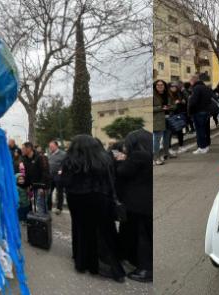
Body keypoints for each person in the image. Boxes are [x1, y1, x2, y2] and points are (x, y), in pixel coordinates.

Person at [60, 135, 125, 282]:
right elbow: (111, 180)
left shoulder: (70, 161)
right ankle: (109, 263)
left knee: (81, 229)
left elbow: (65, 182)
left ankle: (82, 261)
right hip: (101, 198)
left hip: (77, 199)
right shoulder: (104, 160)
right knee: (104, 231)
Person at [114, 129, 153, 283]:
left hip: (139, 204)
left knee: (143, 236)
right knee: (144, 234)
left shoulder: (138, 156)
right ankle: (139, 262)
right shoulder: (150, 154)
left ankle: (146, 269)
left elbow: (123, 171)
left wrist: (121, 160)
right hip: (147, 202)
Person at [21, 142, 51, 214]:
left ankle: (42, 222)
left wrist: (42, 187)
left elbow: (45, 172)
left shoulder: (40, 157)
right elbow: (28, 174)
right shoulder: (25, 159)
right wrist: (27, 185)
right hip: (34, 185)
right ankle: (43, 221)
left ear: (29, 149)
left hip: (43, 186)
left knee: (40, 204)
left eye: (23, 148)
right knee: (40, 205)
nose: (22, 150)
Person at [189, 75, 212, 154]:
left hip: (198, 112)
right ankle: (207, 145)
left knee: (200, 130)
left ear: (193, 81)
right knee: (205, 129)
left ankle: (202, 147)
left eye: (190, 81)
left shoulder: (196, 88)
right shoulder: (206, 87)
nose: (190, 82)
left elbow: (193, 101)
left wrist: (190, 110)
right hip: (206, 111)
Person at [47, 140, 66, 214]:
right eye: (50, 146)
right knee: (49, 192)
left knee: (59, 192)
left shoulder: (63, 154)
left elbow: (65, 164)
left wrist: (61, 170)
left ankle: (59, 208)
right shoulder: (49, 153)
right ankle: (49, 207)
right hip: (50, 176)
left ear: (56, 146)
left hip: (58, 176)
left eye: (52, 146)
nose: (50, 148)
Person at [168, 82, 187, 154]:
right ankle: (169, 148)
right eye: (172, 87)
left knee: (180, 131)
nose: (174, 88)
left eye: (175, 86)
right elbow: (167, 106)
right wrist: (175, 103)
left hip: (179, 114)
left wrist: (182, 101)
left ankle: (181, 146)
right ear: (169, 88)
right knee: (169, 133)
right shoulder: (168, 95)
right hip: (171, 115)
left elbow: (185, 100)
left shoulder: (179, 93)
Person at [153, 80, 167, 165]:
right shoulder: (154, 95)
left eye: (162, 85)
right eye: (158, 85)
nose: (160, 86)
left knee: (158, 139)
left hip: (162, 120)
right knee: (156, 140)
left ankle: (157, 157)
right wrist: (161, 108)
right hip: (156, 120)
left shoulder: (165, 94)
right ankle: (156, 158)